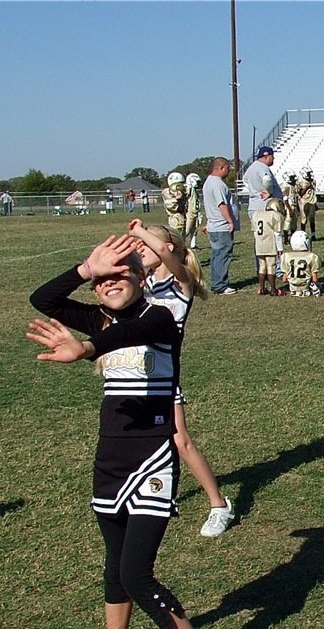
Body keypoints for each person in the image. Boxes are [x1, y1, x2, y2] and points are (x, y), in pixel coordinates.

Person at [26, 233, 237, 629]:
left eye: (123, 274)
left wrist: (85, 350)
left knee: (136, 573)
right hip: (109, 461)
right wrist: (86, 269)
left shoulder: (160, 317)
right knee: (114, 565)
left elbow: (123, 336)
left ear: (143, 278)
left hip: (152, 459)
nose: (111, 284)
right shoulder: (100, 312)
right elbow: (44, 299)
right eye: (105, 280)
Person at [127, 220, 236, 537]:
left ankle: (219, 505)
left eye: (145, 246)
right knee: (140, 439)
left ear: (167, 249)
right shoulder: (143, 284)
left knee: (181, 441)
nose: (141, 249)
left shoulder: (180, 282)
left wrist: (139, 231)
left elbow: (160, 247)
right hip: (137, 374)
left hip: (164, 374)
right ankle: (145, 492)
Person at [202, 157, 238, 295]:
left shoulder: (208, 182)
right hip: (221, 226)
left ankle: (217, 282)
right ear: (221, 168)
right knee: (223, 255)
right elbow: (221, 205)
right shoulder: (218, 184)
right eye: (228, 168)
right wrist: (230, 221)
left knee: (217, 255)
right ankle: (220, 285)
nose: (229, 171)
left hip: (213, 224)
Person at [254, 198, 285, 295]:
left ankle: (262, 288)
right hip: (269, 242)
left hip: (259, 243)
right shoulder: (275, 215)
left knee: (262, 266)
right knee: (271, 265)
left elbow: (254, 231)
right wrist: (280, 248)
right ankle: (273, 289)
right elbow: (277, 234)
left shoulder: (256, 214)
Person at [280, 230, 322, 297]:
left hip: (292, 288)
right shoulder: (312, 256)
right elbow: (315, 279)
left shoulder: (286, 256)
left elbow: (284, 280)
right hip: (306, 287)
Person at [183, 174, 201, 250]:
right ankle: (180, 245)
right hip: (190, 212)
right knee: (187, 230)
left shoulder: (195, 190)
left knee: (194, 229)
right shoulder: (188, 187)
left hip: (195, 212)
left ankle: (193, 245)